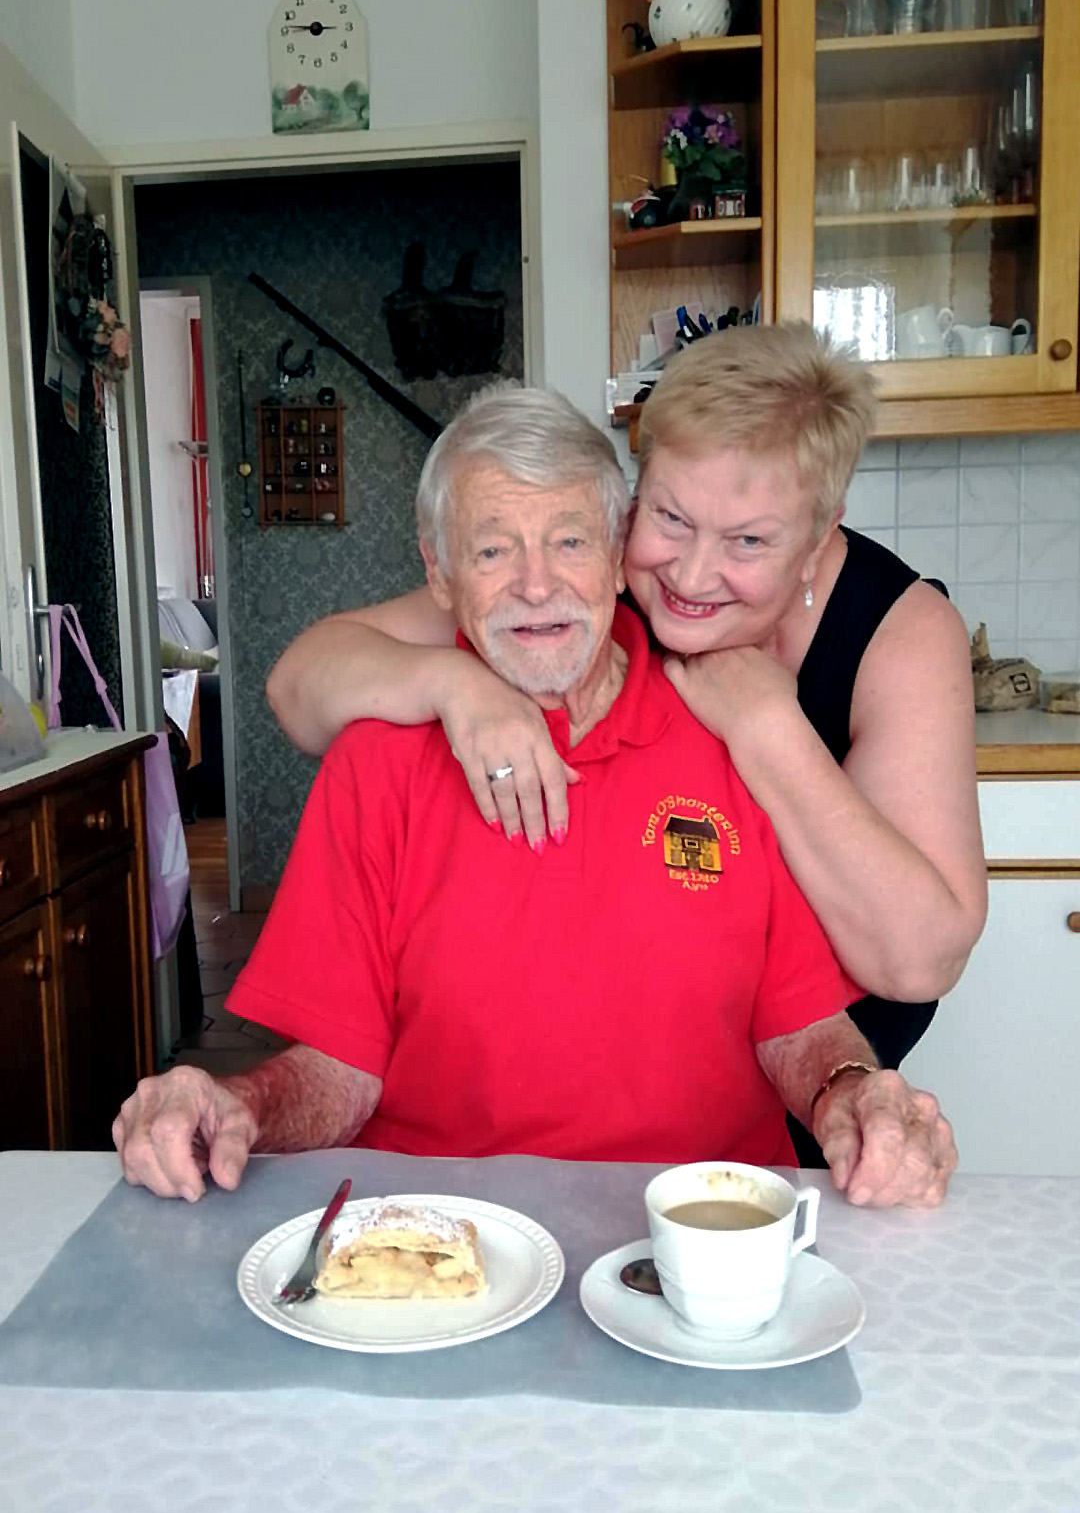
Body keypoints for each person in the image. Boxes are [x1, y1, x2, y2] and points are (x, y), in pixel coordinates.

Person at [114, 385, 956, 1206]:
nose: (536, 585)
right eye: (492, 552)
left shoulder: (736, 731)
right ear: (440, 572)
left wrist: (853, 1092)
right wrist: (240, 1105)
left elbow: (800, 1026)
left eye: (569, 542)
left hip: (697, 1226)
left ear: (617, 553)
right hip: (441, 1234)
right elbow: (341, 1071)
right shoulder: (374, 762)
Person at [267, 326, 987, 1108]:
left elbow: (919, 961)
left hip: (835, 1069)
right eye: (670, 518)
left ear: (818, 536)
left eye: (748, 540)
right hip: (654, 1061)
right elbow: (300, 689)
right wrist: (454, 683)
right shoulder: (586, 580)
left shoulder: (898, 631)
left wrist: (766, 727)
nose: (691, 575)